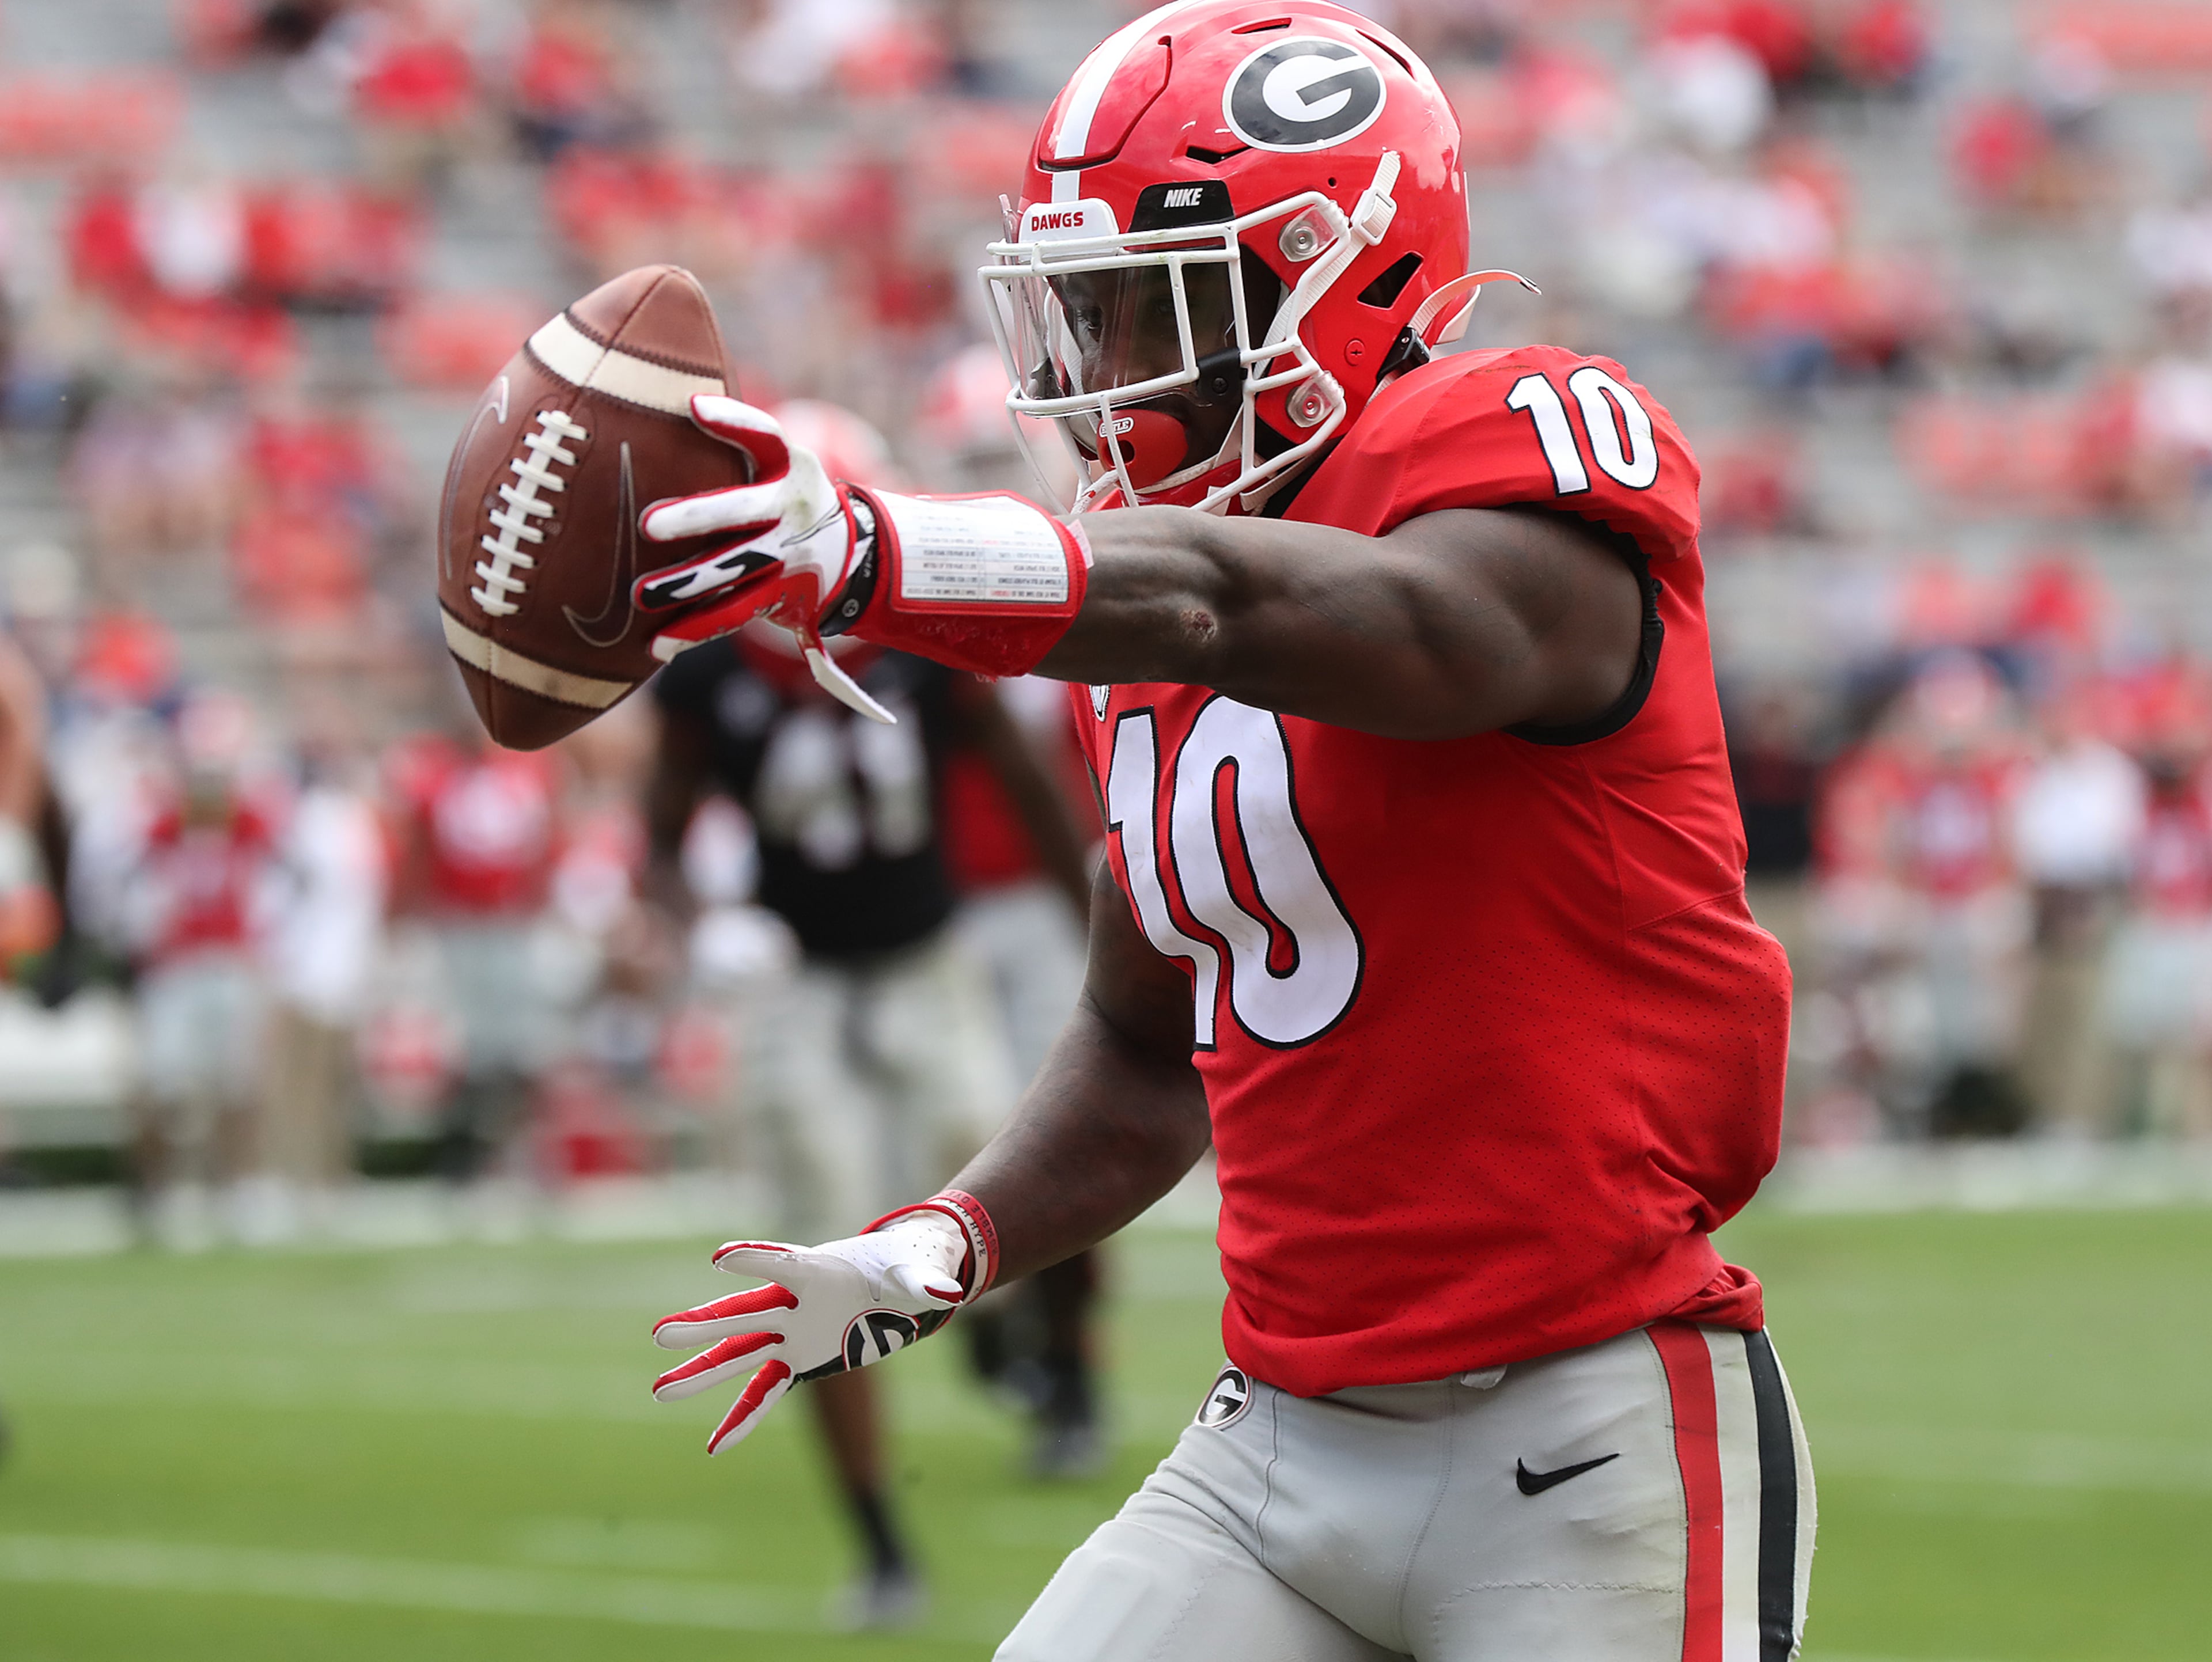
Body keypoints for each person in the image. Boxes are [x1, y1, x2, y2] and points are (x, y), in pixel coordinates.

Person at [619, 5, 1806, 1656]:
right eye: (1079, 315)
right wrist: (943, 1239)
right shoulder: (1152, 611)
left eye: (1139, 312)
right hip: (1279, 1437)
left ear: (1334, 277)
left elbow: (1369, 620)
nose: (1097, 374)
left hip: (1585, 1426)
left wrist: (894, 560)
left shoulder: (1507, 452)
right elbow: (1144, 1039)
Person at [647, 615, 1090, 1620]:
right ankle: (881, 1539)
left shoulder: (926, 648)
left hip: (928, 964)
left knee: (990, 1166)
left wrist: (1112, 945)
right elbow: (658, 843)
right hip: (793, 986)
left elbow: (1027, 785)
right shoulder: (711, 680)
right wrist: (698, 925)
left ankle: (993, 1328)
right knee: (816, 1257)